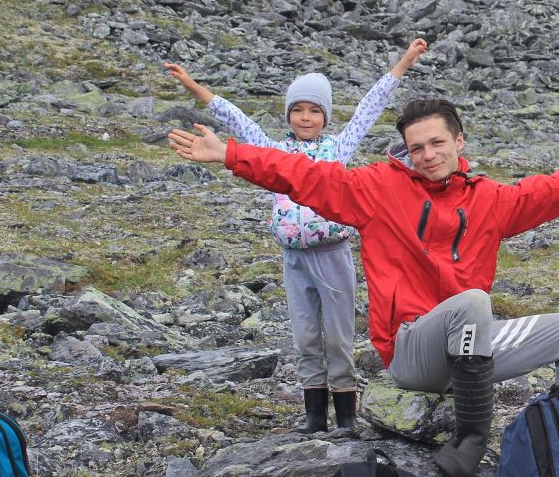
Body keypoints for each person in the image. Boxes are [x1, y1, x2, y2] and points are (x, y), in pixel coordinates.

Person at [168, 98, 559, 477]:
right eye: (416, 147)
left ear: (459, 141)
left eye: (437, 143)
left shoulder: (491, 199)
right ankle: (470, 438)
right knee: (473, 301)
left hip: (470, 349)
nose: (427, 155)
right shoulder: (375, 189)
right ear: (405, 150)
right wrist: (231, 154)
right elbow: (305, 176)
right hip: (410, 352)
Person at [163, 37, 427, 434]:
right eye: (298, 110)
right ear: (288, 115)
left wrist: (404, 62)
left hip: (332, 254)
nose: (305, 117)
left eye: (314, 110)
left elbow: (369, 107)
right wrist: (194, 86)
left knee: (338, 336)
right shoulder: (273, 152)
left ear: (325, 116)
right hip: (294, 258)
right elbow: (237, 121)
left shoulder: (338, 149)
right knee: (305, 336)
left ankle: (348, 415)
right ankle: (314, 415)